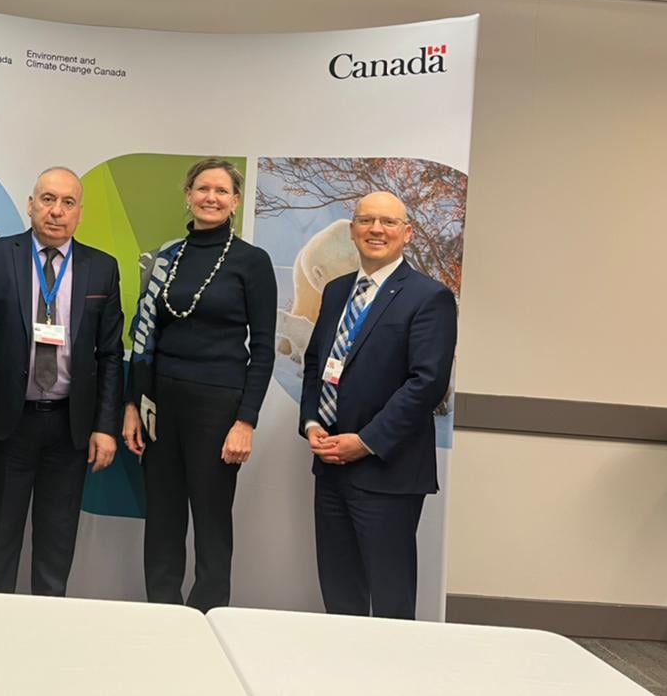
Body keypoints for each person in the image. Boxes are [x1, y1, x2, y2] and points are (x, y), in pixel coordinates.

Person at [122, 157, 276, 612]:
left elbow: (263, 349)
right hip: (160, 404)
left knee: (211, 520)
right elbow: (144, 337)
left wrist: (246, 421)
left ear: (236, 201)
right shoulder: (165, 258)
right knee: (162, 517)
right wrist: (134, 405)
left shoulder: (252, 262)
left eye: (222, 191)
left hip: (218, 408)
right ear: (188, 195)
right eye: (203, 188)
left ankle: (208, 614)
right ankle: (163, 611)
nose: (211, 197)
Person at [299, 191, 457, 620]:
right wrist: (312, 422)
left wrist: (365, 441)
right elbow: (315, 363)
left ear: (407, 233)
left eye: (388, 222)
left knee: (390, 600)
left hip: (387, 471)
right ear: (353, 230)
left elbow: (426, 383)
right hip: (330, 466)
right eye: (367, 220)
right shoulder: (336, 292)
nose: (376, 230)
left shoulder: (429, 297)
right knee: (340, 594)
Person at [0, 167, 124, 596]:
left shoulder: (101, 268)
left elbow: (110, 354)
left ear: (79, 212)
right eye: (47, 199)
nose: (56, 211)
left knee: (56, 547)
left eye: (68, 202)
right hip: (9, 424)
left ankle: (48, 626)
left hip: (69, 428)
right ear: (31, 204)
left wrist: (105, 426)